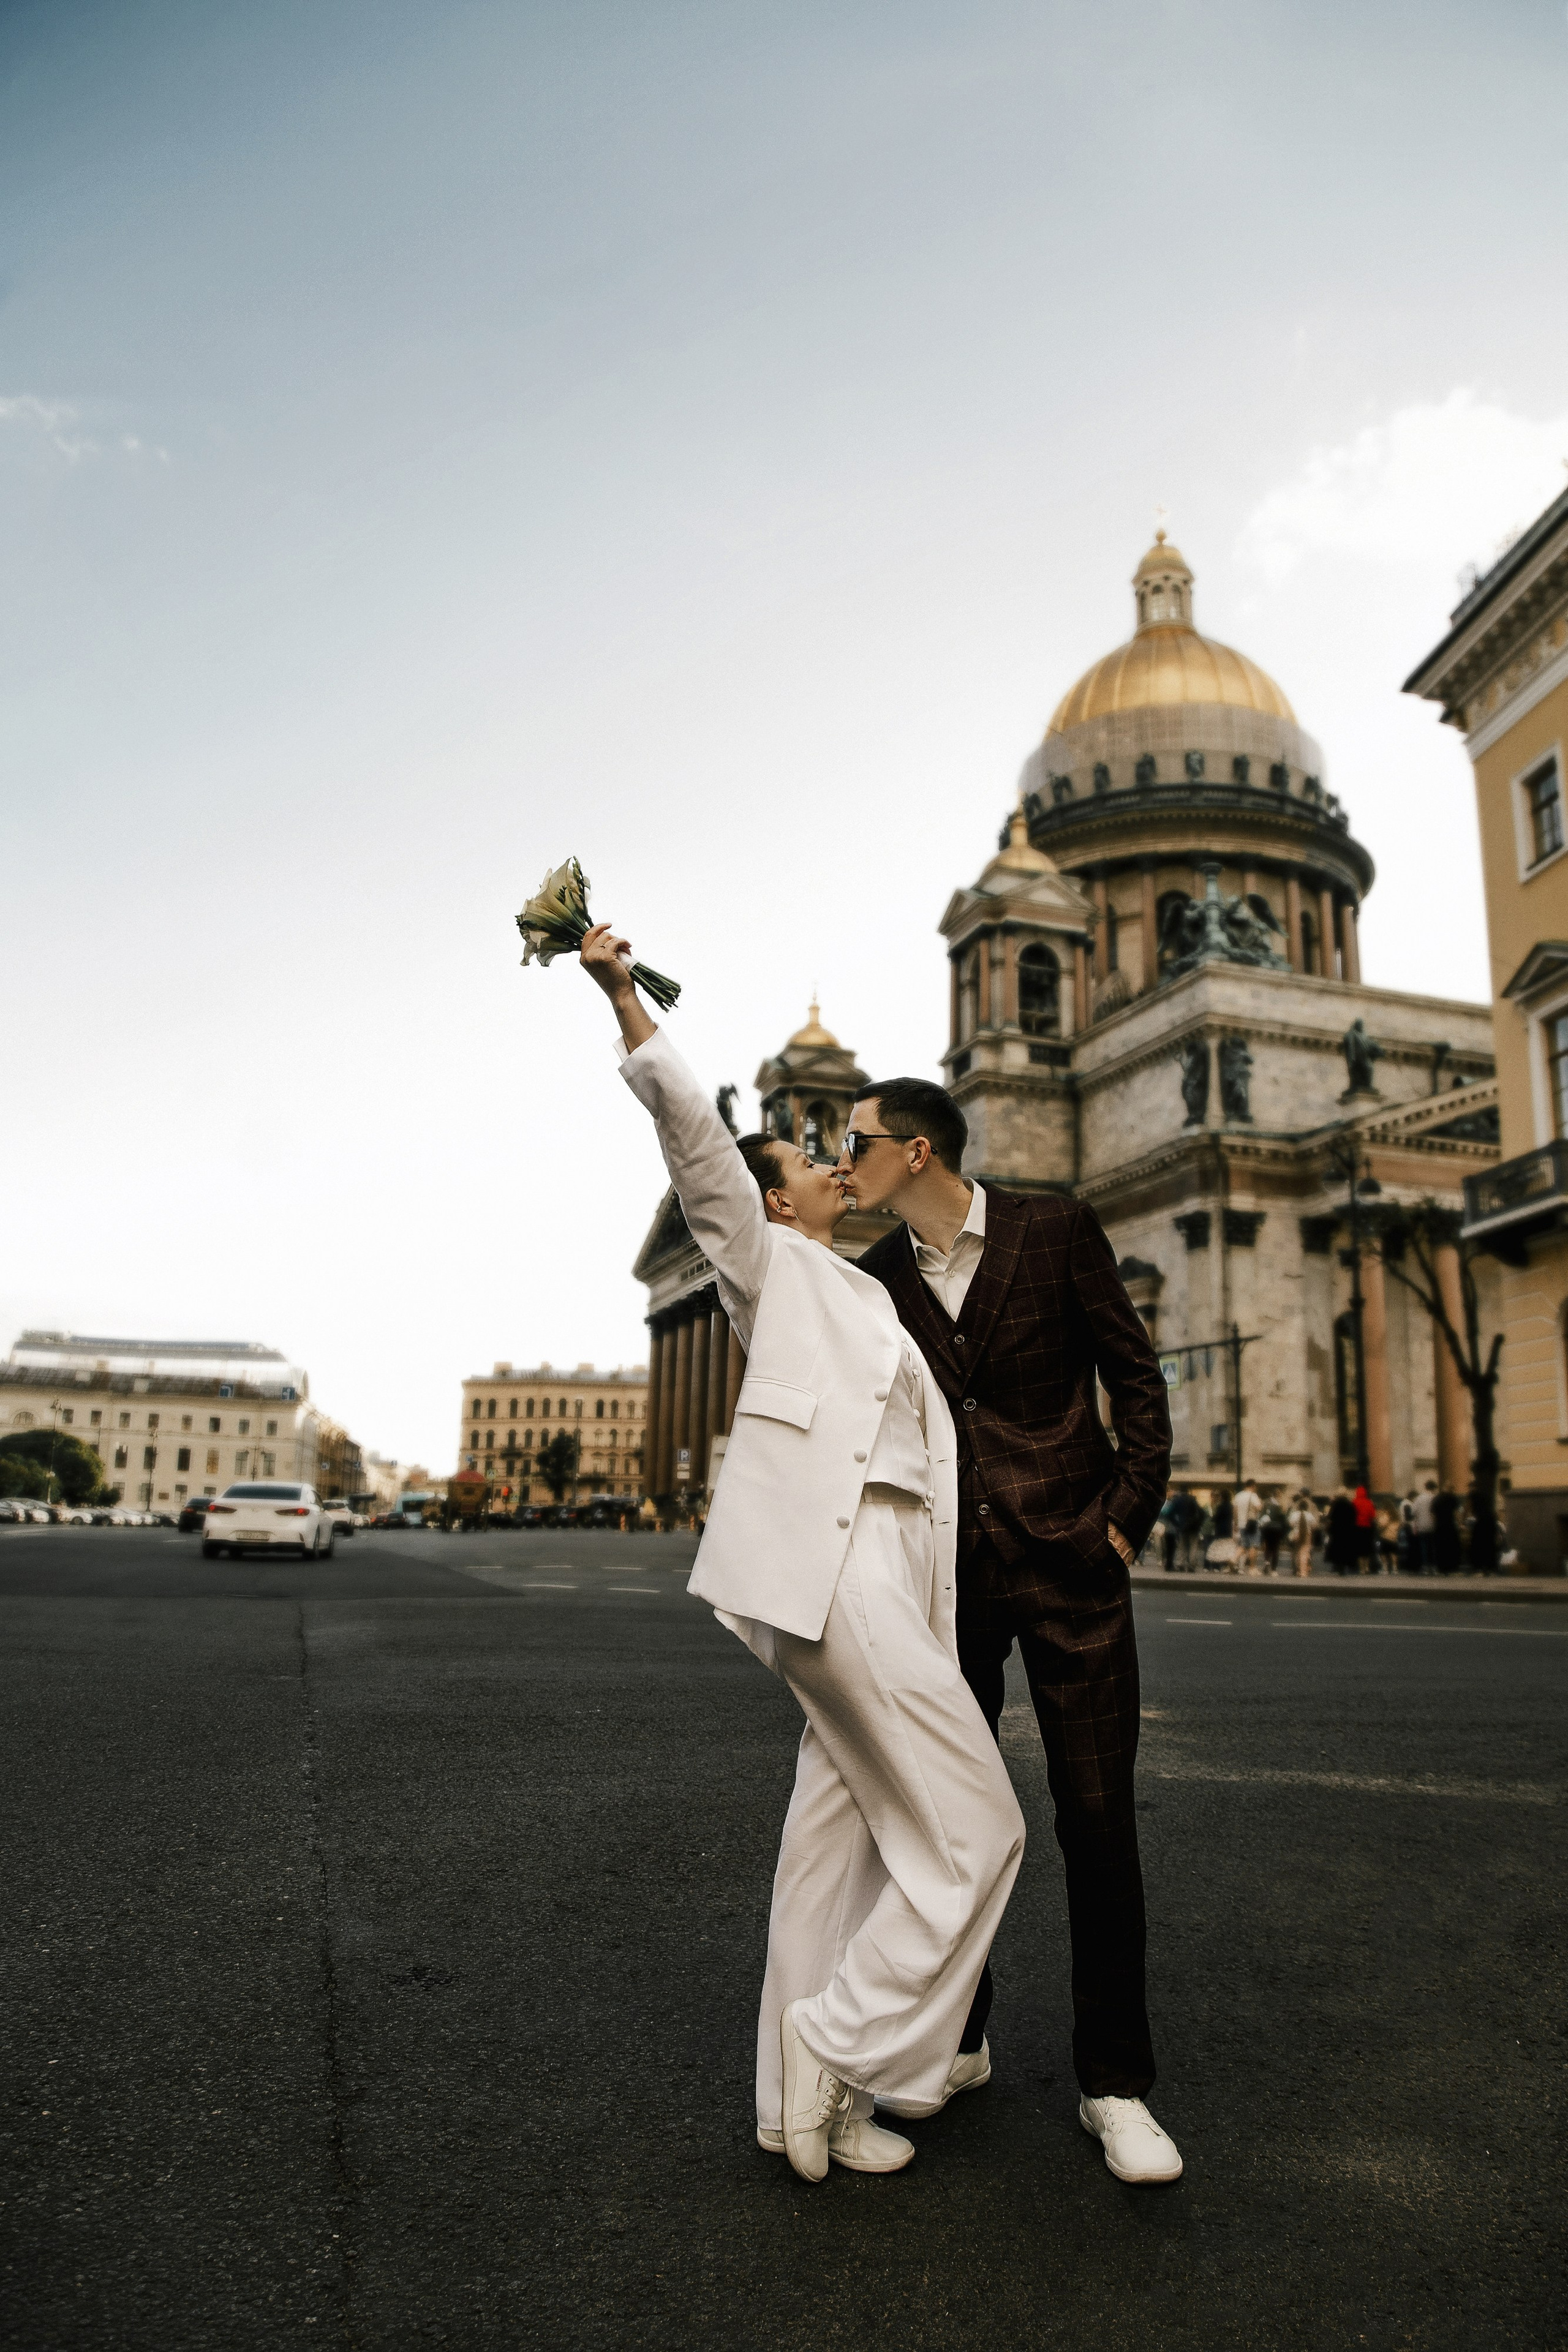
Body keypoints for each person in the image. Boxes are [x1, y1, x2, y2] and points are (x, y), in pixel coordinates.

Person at [577, 926, 1025, 2185]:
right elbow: (690, 1140)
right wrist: (622, 995)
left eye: (842, 1148)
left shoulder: (863, 1289)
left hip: (883, 1576)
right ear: (769, 1198)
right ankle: (842, 2041)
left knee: (832, 1849)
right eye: (808, 1157)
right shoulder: (763, 1260)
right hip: (845, 1574)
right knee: (979, 1830)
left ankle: (798, 2111)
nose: (833, 1162)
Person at [842, 1077, 1182, 2185]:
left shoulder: (1055, 1225)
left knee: (1096, 1821)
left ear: (922, 1153)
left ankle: (1115, 2087)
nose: (845, 1160)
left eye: (860, 1143)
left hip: (1078, 1562)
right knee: (954, 1828)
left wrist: (1124, 1524)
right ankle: (959, 2039)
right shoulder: (874, 1278)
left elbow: (1137, 1377)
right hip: (952, 1585)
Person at [1232, 1479, 1263, 1574]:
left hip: (1241, 1524)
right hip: (1251, 1524)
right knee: (1254, 1545)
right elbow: (1259, 1508)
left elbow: (1235, 1511)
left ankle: (1233, 1559)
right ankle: (1252, 1568)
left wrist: (1236, 1524)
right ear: (1253, 1486)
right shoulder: (1253, 1496)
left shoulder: (1238, 1496)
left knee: (1244, 1544)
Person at [1287, 1491, 1319, 1578]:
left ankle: (1297, 1570)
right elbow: (1315, 1526)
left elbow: (1291, 1524)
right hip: (1307, 1535)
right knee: (1305, 1553)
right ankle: (1303, 1572)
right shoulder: (1309, 1515)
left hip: (1296, 1534)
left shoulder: (1295, 1514)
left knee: (1297, 1552)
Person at [1325, 1487, 1357, 1575]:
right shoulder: (1350, 1505)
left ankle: (1337, 1565)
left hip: (1337, 1529)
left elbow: (1331, 1517)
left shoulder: (1336, 1505)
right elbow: (1354, 1517)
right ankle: (1344, 1566)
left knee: (1336, 1547)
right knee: (1345, 1548)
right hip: (1347, 1529)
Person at [1411, 1479, 1438, 1574]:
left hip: (1422, 1526)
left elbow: (1413, 1512)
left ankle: (1425, 1566)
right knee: (1433, 1547)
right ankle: (1434, 1566)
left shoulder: (1419, 1498)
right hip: (1433, 1526)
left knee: (1424, 1547)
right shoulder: (1434, 1498)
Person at [1352, 1482, 1378, 1574]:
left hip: (1357, 1528)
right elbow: (1373, 1515)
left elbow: (1352, 1515)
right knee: (1367, 1548)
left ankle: (1361, 1569)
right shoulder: (1369, 1502)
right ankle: (1367, 1567)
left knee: (1359, 1549)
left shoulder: (1354, 1502)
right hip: (1367, 1528)